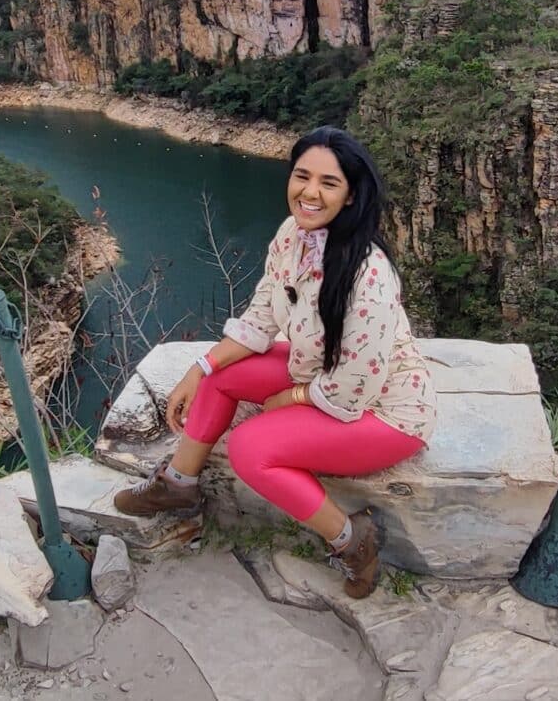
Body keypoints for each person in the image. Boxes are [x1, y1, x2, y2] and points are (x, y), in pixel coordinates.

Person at [114, 126, 436, 598]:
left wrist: (291, 397)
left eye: (329, 183)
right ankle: (179, 485)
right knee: (222, 372)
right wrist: (198, 369)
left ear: (350, 196)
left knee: (250, 448)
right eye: (302, 176)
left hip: (384, 410)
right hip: (319, 369)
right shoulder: (293, 235)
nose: (309, 192)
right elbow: (263, 314)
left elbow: (354, 386)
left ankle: (352, 540)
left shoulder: (367, 276)